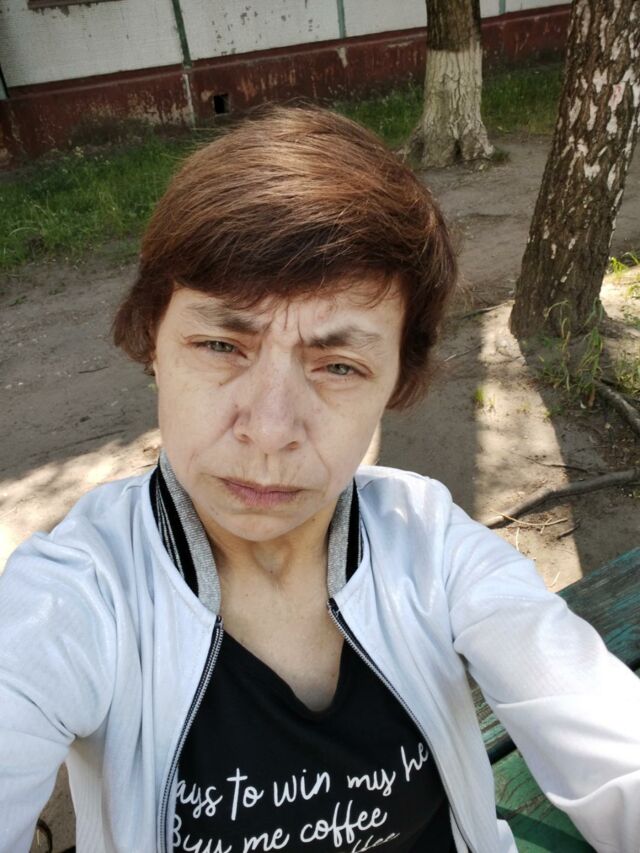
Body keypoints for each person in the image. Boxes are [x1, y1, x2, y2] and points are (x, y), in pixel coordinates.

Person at [1, 105, 639, 853]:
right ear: (153, 343)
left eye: (338, 365)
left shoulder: (427, 545)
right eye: (220, 344)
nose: (271, 429)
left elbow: (608, 740)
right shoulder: (79, 595)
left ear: (397, 379)